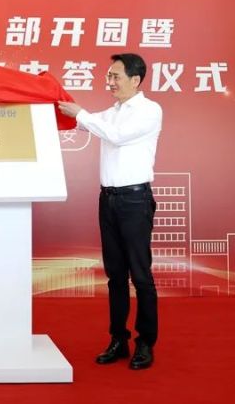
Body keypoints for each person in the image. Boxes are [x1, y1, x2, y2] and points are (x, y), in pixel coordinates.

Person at [58, 53, 162, 370]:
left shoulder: (149, 110)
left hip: (134, 201)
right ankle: (118, 339)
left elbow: (114, 135)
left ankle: (145, 342)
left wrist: (81, 114)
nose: (110, 82)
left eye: (116, 76)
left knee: (140, 275)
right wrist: (55, 106)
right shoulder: (112, 112)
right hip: (109, 200)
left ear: (135, 79)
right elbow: (87, 124)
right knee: (115, 275)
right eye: (109, 76)